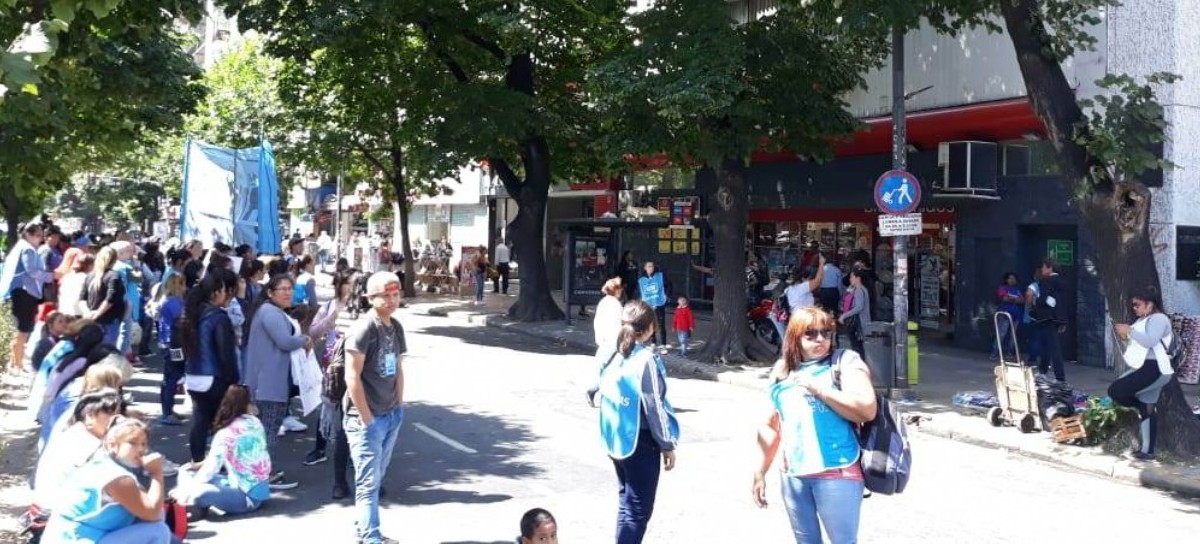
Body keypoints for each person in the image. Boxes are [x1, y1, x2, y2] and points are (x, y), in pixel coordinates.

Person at [753, 306, 877, 544]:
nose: (820, 339)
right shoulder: (782, 371)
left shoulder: (845, 362)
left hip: (837, 470)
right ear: (794, 337)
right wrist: (760, 471)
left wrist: (818, 389)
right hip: (794, 475)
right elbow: (771, 425)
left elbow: (867, 408)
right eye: (810, 333)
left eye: (826, 332)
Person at [597, 300, 678, 544]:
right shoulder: (646, 360)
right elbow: (655, 407)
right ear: (650, 327)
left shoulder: (612, 352)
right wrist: (667, 444)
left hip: (616, 437)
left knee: (627, 503)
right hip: (640, 442)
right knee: (637, 511)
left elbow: (594, 388)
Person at [343, 272, 407, 544]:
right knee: (368, 484)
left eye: (396, 294)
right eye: (386, 295)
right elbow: (352, 376)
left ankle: (364, 530)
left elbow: (398, 368)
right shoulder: (364, 328)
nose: (393, 300)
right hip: (366, 419)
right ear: (371, 298)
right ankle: (370, 537)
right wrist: (367, 418)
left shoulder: (396, 326)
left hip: (391, 414)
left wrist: (399, 406)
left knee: (376, 479)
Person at [42, 418, 171, 543]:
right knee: (158, 531)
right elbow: (153, 515)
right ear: (112, 445)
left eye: (143, 444)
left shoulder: (101, 461)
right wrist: (156, 474)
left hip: (79, 535)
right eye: (132, 443)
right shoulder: (116, 477)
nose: (141, 449)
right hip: (73, 538)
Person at [243, 274, 309, 491]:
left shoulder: (270, 311)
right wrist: (304, 340)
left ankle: (259, 474)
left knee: (265, 430)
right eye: (282, 289)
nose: (288, 292)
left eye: (290, 288)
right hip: (268, 383)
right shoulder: (270, 313)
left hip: (267, 381)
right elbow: (285, 342)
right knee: (269, 430)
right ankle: (263, 477)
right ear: (270, 292)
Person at [172, 384, 272, 518]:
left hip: (244, 496)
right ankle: (195, 500)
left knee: (193, 482)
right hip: (255, 488)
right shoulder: (255, 422)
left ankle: (188, 505)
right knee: (194, 476)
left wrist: (186, 491)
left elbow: (211, 469)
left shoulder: (226, 434)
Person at [177, 267, 241, 465]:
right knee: (223, 424)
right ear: (216, 293)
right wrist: (234, 380)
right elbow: (225, 353)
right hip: (214, 377)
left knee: (200, 421)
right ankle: (220, 464)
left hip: (194, 376)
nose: (226, 295)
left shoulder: (192, 313)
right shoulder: (218, 317)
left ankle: (197, 462)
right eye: (224, 291)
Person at [305, 270, 356, 499]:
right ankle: (320, 448)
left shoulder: (364, 309)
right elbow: (314, 332)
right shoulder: (329, 306)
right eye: (349, 283)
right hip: (334, 367)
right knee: (330, 410)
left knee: (353, 421)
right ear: (340, 284)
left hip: (360, 370)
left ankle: (358, 465)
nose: (353, 288)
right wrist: (332, 318)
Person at [1109, 287, 1175, 460]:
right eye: (1133, 305)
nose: (1134, 308)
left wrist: (1129, 331)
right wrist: (1126, 336)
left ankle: (1138, 407)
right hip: (1148, 367)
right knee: (1148, 407)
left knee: (1115, 391)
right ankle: (1147, 451)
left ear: (1149, 304)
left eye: (1137, 304)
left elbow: (1150, 341)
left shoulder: (1159, 318)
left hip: (1156, 368)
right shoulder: (1143, 320)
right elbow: (1136, 346)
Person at [32, 389, 123, 507]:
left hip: (54, 506)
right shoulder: (89, 446)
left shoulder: (76, 432)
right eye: (111, 414)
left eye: (118, 413)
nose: (119, 419)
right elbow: (113, 488)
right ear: (90, 416)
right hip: (59, 512)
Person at [0, 223, 52, 369]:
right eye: (38, 236)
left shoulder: (20, 247)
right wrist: (51, 276)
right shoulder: (28, 249)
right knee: (22, 330)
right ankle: (18, 363)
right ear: (28, 235)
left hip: (17, 292)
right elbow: (32, 271)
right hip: (24, 293)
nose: (40, 239)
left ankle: (14, 361)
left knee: (19, 329)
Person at [586, 278, 625, 407]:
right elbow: (619, 323)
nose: (621, 290)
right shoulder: (615, 304)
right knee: (613, 366)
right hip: (613, 339)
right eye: (619, 288)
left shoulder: (603, 302)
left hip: (604, 339)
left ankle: (596, 389)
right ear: (616, 290)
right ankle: (595, 389)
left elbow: (597, 321)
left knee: (603, 364)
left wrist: (599, 337)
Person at [156, 275, 187, 426]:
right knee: (173, 376)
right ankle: (167, 412)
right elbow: (181, 322)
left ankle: (167, 409)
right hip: (175, 343)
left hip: (166, 342)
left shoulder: (166, 301)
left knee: (168, 377)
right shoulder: (176, 303)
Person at [1031, 258, 1068, 381]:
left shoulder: (1046, 280)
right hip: (1059, 318)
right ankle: (1043, 371)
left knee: (1052, 347)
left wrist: (1036, 303)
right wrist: (1064, 320)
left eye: (1044, 267)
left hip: (1047, 317)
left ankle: (1059, 377)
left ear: (1050, 267)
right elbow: (1063, 302)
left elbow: (1042, 299)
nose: (1042, 269)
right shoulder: (1062, 282)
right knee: (1047, 345)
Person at [83, 246, 127, 347]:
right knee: (107, 352)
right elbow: (110, 299)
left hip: (92, 319)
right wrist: (97, 314)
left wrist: (88, 313)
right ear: (114, 260)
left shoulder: (90, 276)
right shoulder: (114, 276)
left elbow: (82, 298)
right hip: (109, 320)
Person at [636, 262, 671, 349]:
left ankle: (663, 344)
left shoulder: (660, 276)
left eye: (652, 266)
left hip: (659, 304)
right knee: (650, 324)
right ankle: (653, 343)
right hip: (649, 305)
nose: (651, 268)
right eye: (649, 266)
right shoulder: (641, 280)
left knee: (661, 325)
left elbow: (669, 285)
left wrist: (667, 296)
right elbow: (640, 292)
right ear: (645, 268)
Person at [991, 272, 1024, 360]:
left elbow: (1021, 300)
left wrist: (1011, 298)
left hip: (1015, 316)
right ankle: (994, 353)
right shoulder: (1002, 288)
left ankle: (1009, 353)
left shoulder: (1017, 290)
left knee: (1012, 336)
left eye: (1014, 278)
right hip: (1005, 315)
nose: (1012, 280)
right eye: (1010, 278)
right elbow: (1004, 298)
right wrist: (1014, 299)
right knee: (1001, 334)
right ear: (1006, 279)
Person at [839, 269, 872, 355]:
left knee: (857, 347)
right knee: (858, 347)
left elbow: (859, 307)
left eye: (851, 277)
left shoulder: (859, 290)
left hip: (859, 323)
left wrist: (844, 315)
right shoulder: (861, 289)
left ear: (858, 278)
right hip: (861, 322)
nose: (850, 279)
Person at [1022, 268, 1042, 366]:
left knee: (1033, 338)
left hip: (1031, 317)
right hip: (1039, 317)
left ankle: (1032, 358)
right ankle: (1035, 358)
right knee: (1037, 337)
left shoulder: (1033, 286)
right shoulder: (1043, 286)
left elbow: (1029, 299)